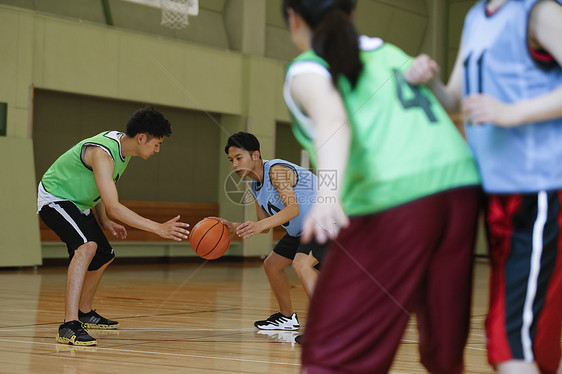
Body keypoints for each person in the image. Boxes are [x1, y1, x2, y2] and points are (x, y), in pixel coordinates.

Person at [281, 0, 482, 372]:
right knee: (443, 344)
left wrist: (327, 195)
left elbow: (333, 119)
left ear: (293, 18)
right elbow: (449, 108)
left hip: (397, 194)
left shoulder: (308, 67)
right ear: (352, 13)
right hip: (461, 184)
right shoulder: (391, 52)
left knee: (332, 354)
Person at [404, 1, 562, 373]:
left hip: (539, 189)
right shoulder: (476, 17)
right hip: (494, 192)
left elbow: (504, 109)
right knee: (531, 338)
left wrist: (513, 112)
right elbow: (453, 99)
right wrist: (429, 81)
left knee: (509, 338)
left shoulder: (539, 11)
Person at [38, 107, 190, 346]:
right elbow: (115, 207)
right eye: (156, 144)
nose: (157, 150)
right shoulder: (103, 153)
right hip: (55, 199)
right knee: (86, 246)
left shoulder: (123, 150)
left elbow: (99, 187)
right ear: (142, 138)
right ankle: (69, 325)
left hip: (80, 204)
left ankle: (85, 312)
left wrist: (105, 220)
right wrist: (157, 227)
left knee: (103, 255)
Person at [220, 132, 327, 332]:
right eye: (231, 160)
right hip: (302, 230)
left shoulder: (276, 171)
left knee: (301, 264)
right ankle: (287, 318)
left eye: (238, 158)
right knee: (272, 265)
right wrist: (235, 227)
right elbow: (264, 224)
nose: (234, 165)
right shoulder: (254, 184)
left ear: (255, 156)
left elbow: (292, 208)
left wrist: (260, 226)